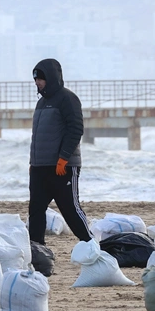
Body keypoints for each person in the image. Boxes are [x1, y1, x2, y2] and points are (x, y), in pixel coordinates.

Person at [28, 58, 93, 245]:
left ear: (51, 78)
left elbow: (76, 129)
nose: (37, 83)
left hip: (62, 167)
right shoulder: (41, 103)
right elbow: (39, 136)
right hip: (40, 167)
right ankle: (37, 249)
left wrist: (63, 158)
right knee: (36, 209)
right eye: (35, 80)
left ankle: (90, 244)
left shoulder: (67, 98)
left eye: (40, 79)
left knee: (70, 209)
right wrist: (33, 163)